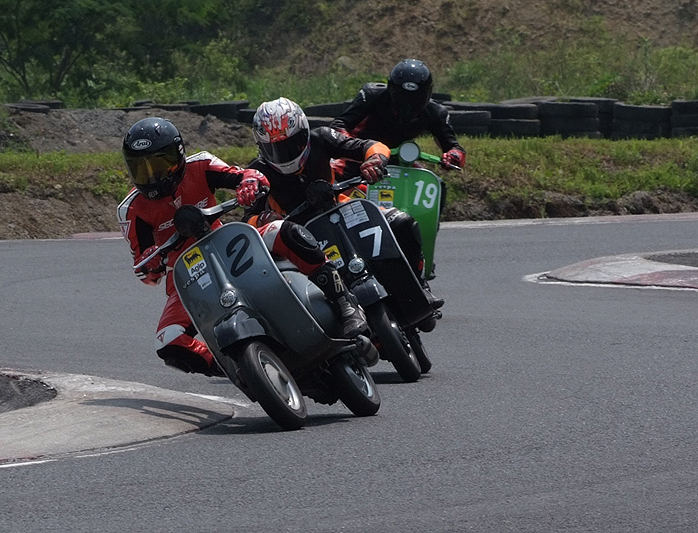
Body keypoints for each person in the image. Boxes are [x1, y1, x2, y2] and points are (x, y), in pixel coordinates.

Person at [117, 117, 366, 376]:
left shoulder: (201, 164)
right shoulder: (130, 210)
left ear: (178, 155)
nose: (152, 175)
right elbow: (146, 272)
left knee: (285, 231)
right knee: (167, 341)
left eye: (159, 165)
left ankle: (344, 301)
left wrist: (249, 183)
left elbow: (251, 176)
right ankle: (233, 369)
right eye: (141, 168)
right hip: (188, 275)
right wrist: (151, 263)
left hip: (227, 245)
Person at [246, 97, 444, 323]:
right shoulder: (256, 172)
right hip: (301, 236)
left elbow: (370, 145)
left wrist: (375, 161)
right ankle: (341, 310)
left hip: (341, 209)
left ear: (304, 133)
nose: (284, 154)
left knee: (402, 223)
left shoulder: (321, 137)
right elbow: (248, 219)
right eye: (274, 149)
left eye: (291, 144)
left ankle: (420, 285)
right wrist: (263, 219)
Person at [330, 58, 466, 179]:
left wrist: (453, 157)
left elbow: (454, 148)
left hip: (397, 163)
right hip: (357, 158)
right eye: (402, 97)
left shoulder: (435, 112)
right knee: (331, 180)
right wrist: (354, 148)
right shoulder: (372, 95)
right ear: (390, 90)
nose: (408, 105)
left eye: (416, 98)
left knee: (437, 184)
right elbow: (339, 125)